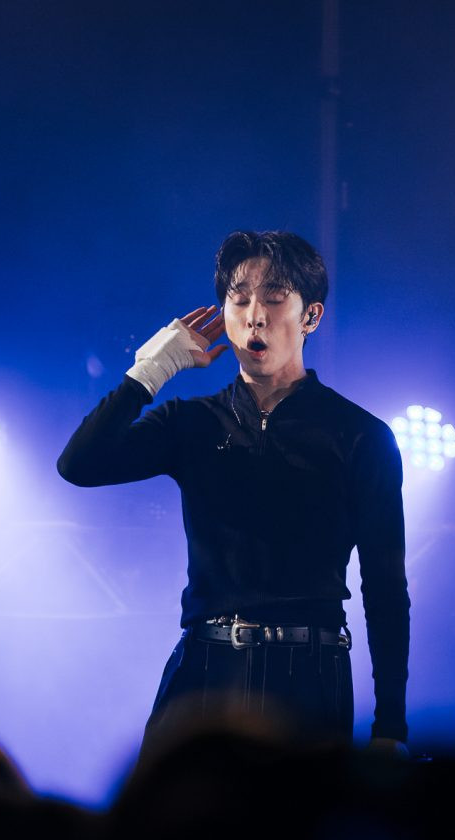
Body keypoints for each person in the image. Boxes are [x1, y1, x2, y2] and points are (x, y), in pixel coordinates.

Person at [57, 230, 409, 754]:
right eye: (239, 300)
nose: (255, 317)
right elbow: (78, 465)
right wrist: (149, 371)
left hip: (309, 674)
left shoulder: (359, 435)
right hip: (206, 665)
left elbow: (385, 587)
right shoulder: (192, 422)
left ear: (310, 316)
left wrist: (390, 727)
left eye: (274, 298)